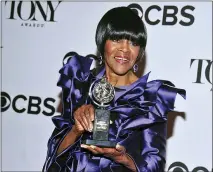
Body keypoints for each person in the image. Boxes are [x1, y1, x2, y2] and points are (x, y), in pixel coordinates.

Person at [42, 6, 186, 172]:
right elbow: (53, 159)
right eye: (117, 39)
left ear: (140, 51)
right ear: (102, 42)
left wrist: (122, 158)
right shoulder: (80, 86)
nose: (125, 49)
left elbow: (154, 166)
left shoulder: (151, 99)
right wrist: (76, 129)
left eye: (133, 42)